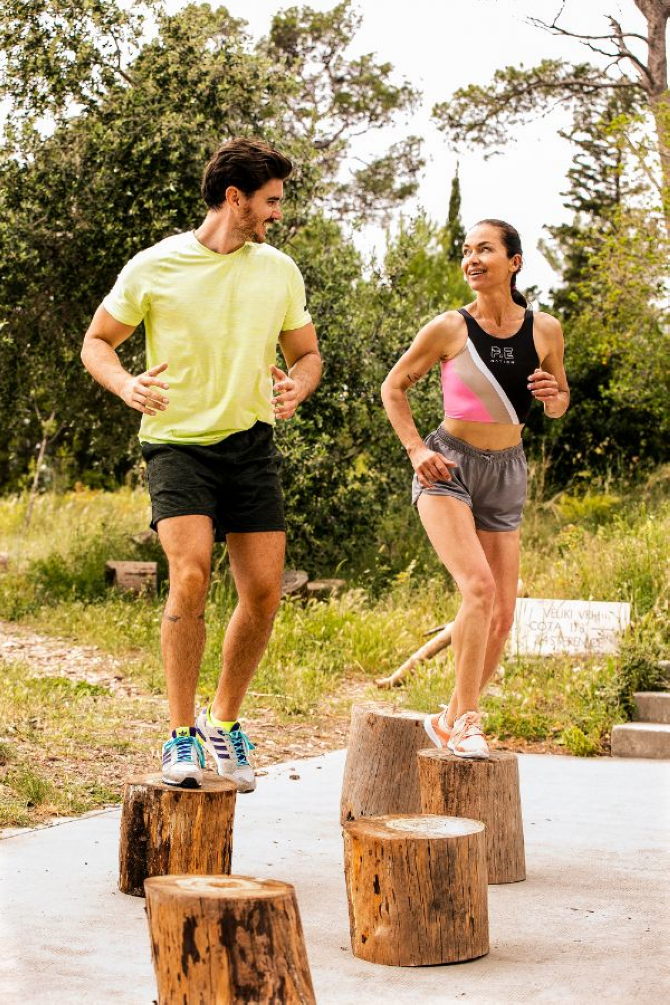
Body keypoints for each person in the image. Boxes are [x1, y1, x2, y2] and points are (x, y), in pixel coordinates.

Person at [81, 138, 322, 791]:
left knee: (264, 593)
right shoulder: (155, 265)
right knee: (189, 577)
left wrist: (300, 383)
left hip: (249, 443)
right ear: (236, 197)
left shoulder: (279, 271)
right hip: (177, 442)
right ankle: (180, 734)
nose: (277, 213)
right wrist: (125, 384)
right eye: (270, 201)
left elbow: (307, 353)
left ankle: (224, 720)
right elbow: (97, 341)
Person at [381, 219, 569, 759]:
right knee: (479, 590)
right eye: (466, 251)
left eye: (484, 250)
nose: (472, 259)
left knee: (503, 615)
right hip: (449, 467)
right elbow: (393, 387)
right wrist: (418, 450)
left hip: (508, 467)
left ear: (514, 262)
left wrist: (553, 394)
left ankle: (449, 718)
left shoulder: (545, 330)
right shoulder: (448, 327)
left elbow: (559, 403)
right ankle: (466, 719)